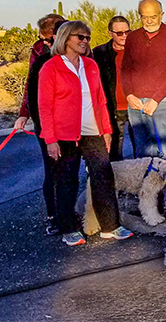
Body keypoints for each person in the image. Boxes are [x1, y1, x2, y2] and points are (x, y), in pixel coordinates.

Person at [37, 20, 132, 246]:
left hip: (93, 131)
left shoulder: (90, 65)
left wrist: (106, 130)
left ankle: (110, 226)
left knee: (103, 176)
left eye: (87, 38)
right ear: (65, 37)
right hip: (64, 135)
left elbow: (100, 100)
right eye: (80, 37)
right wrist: (50, 139)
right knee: (66, 181)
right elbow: (44, 106)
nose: (85, 41)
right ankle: (69, 228)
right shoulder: (51, 67)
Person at [13, 13, 65, 235]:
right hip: (46, 119)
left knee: (70, 169)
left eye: (49, 38)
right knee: (52, 169)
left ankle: (71, 212)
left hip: (73, 119)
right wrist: (24, 113)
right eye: (43, 38)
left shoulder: (79, 47)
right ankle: (54, 216)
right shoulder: (39, 52)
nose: (45, 43)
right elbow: (30, 84)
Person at [120, 0, 166, 161]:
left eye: (153, 17)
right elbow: (125, 69)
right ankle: (146, 178)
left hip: (161, 101)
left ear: (161, 15)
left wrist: (156, 99)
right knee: (142, 152)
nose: (149, 21)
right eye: (144, 17)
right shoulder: (133, 37)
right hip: (135, 102)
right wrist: (129, 94)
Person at [91, 16, 132, 161]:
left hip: (136, 106)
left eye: (127, 32)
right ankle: (115, 174)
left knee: (142, 148)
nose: (124, 36)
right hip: (114, 107)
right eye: (119, 33)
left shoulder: (137, 51)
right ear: (110, 33)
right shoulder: (99, 53)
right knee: (115, 148)